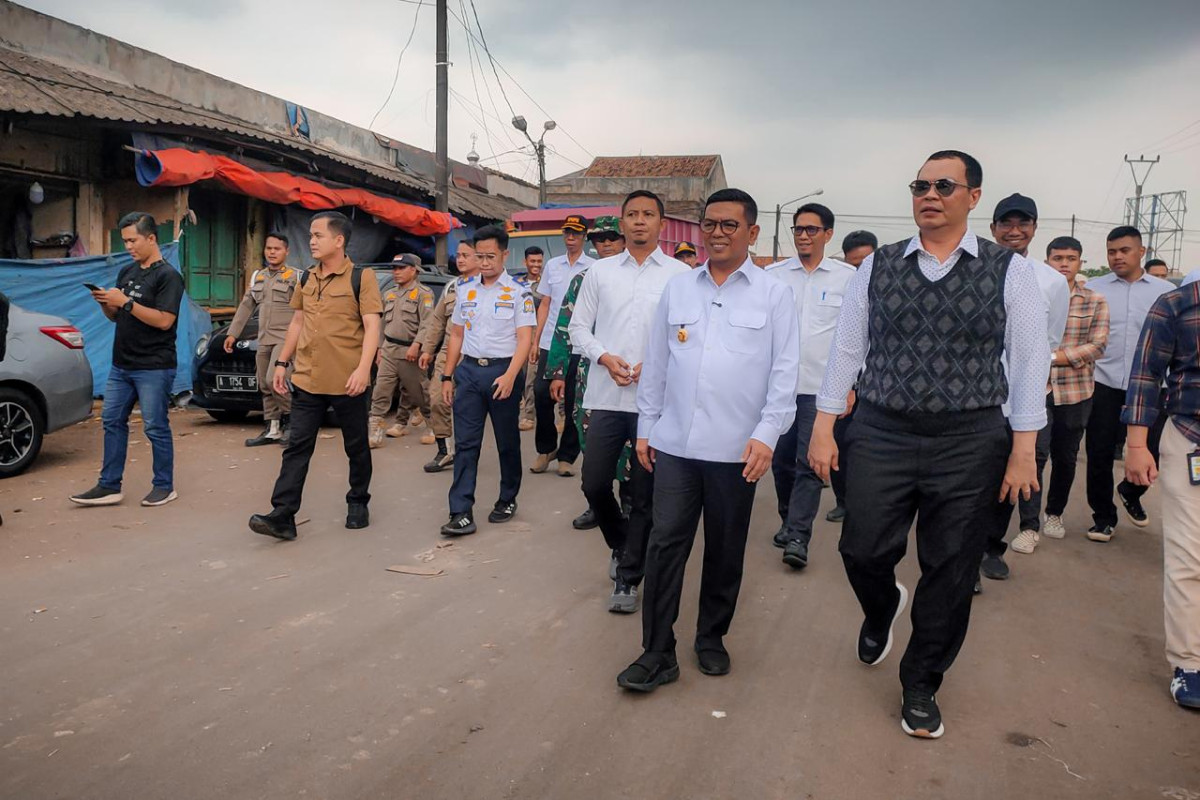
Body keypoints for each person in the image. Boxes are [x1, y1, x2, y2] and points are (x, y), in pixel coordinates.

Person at [809, 151, 1049, 739]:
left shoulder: (1007, 270)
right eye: (921, 184)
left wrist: (1023, 448)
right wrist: (822, 424)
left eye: (945, 184)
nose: (930, 194)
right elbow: (847, 348)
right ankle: (881, 605)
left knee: (949, 568)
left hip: (970, 439)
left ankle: (920, 682)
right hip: (882, 429)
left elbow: (1027, 361)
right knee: (861, 548)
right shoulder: (880, 266)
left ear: (974, 196)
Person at [616, 188, 799, 693]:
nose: (717, 233)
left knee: (724, 548)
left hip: (736, 451)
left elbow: (785, 374)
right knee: (664, 544)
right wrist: (646, 429)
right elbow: (656, 365)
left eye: (729, 226)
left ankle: (711, 636)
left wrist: (767, 436)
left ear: (752, 232)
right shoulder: (679, 289)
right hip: (674, 445)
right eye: (710, 224)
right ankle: (657, 651)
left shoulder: (773, 294)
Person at [570, 196, 690, 613]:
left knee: (643, 493)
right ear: (622, 223)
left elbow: (686, 333)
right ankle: (621, 543)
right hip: (606, 396)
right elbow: (578, 327)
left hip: (654, 403)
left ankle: (628, 577)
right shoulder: (599, 272)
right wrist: (605, 357)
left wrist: (655, 363)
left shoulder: (679, 275)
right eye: (633, 215)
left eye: (648, 215)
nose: (640, 222)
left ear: (662, 224)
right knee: (595, 483)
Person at [248, 211, 383, 541]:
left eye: (318, 235)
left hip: (347, 381)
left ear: (338, 240)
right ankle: (283, 513)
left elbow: (372, 327)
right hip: (308, 379)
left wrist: (364, 369)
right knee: (296, 447)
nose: (311, 240)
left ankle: (357, 502)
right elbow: (297, 322)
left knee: (356, 447)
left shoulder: (361, 278)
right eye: (310, 234)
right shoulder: (306, 278)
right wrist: (282, 363)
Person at [978, 194, 1070, 583]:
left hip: (1024, 402)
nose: (1014, 231)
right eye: (1006, 223)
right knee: (973, 481)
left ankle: (990, 548)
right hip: (977, 398)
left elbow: (1049, 343)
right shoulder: (974, 270)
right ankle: (962, 559)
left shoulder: (1051, 281)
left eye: (1023, 223)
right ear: (993, 227)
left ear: (1034, 227)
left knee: (1012, 477)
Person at [71, 212, 185, 508]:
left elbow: (164, 321)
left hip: (155, 366)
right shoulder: (127, 273)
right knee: (111, 420)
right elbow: (117, 316)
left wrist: (127, 302)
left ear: (151, 238)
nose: (129, 247)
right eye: (125, 241)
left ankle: (164, 485)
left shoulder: (168, 276)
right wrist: (107, 304)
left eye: (133, 240)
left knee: (155, 426)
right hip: (122, 365)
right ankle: (109, 485)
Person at [1121, 278, 1200, 709]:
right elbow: (1146, 374)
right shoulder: (1178, 303)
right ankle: (1190, 663)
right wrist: (1136, 445)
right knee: (1190, 558)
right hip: (1191, 438)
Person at [767, 202, 856, 570]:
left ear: (828, 234)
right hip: (777, 387)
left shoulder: (847, 278)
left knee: (809, 462)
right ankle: (789, 518)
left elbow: (856, 336)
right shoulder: (772, 276)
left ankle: (799, 536)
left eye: (812, 230)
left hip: (821, 388)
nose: (804, 236)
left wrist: (850, 385)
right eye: (799, 229)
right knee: (780, 461)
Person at [440, 226, 536, 536]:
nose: (484, 262)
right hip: (468, 373)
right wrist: (446, 375)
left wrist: (510, 376)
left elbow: (524, 339)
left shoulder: (519, 293)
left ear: (505, 255)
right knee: (466, 444)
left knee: (507, 442)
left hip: (503, 372)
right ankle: (460, 511)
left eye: (490, 256)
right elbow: (456, 335)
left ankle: (507, 498)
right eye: (478, 256)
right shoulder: (465, 290)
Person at [1016, 236, 1109, 552]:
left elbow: (1097, 345)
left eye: (1071, 258)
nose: (1065, 263)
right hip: (1036, 389)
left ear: (1080, 262)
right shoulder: (1034, 293)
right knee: (1036, 455)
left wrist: (1052, 356)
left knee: (1066, 457)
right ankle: (1028, 526)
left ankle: (1053, 513)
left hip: (1076, 392)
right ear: (1048, 261)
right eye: (1058, 258)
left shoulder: (1095, 300)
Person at [1084, 226, 1174, 541]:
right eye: (1112, 251)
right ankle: (1103, 518)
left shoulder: (1164, 292)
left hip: (1151, 386)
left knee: (1154, 450)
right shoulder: (1093, 288)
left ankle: (1131, 490)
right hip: (1103, 382)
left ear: (1141, 252)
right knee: (1099, 453)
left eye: (1124, 250)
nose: (1117, 257)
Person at [547, 215, 626, 533]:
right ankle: (599, 505)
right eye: (599, 239)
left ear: (622, 240)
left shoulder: (638, 278)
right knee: (590, 438)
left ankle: (633, 502)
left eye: (611, 238)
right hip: (588, 371)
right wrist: (555, 372)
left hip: (631, 372)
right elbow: (564, 325)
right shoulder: (583, 278)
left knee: (634, 445)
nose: (605, 244)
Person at [531, 215, 594, 477]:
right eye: (567, 233)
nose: (571, 238)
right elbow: (545, 303)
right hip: (550, 343)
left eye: (576, 234)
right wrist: (536, 340)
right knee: (541, 393)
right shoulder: (552, 266)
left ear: (584, 237)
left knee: (573, 403)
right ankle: (545, 449)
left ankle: (567, 456)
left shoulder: (593, 268)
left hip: (579, 345)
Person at [225, 232, 300, 447]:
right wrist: (233, 333)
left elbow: (306, 311)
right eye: (269, 248)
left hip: (285, 339)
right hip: (264, 338)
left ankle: (292, 422)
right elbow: (247, 305)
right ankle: (272, 427)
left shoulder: (295, 277)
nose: (272, 252)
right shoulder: (259, 276)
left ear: (287, 251)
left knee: (274, 380)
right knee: (263, 384)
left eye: (277, 249)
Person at [826, 230, 878, 523]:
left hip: (876, 389)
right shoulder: (841, 292)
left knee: (869, 452)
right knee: (840, 446)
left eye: (866, 263)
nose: (861, 271)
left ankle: (870, 502)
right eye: (855, 264)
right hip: (844, 387)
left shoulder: (888, 290)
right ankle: (843, 500)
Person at [418, 241, 480, 472]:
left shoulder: (486, 284)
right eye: (459, 255)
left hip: (475, 351)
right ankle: (445, 450)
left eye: (466, 255)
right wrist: (427, 349)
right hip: (447, 350)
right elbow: (436, 321)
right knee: (436, 397)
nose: (460, 259)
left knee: (468, 406)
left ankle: (467, 450)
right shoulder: (453, 287)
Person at [368, 254, 434, 448]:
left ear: (413, 270)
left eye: (401, 268)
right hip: (389, 349)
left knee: (418, 392)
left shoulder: (424, 294)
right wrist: (379, 348)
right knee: (381, 389)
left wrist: (417, 345)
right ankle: (376, 431)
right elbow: (380, 324)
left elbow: (428, 323)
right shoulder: (389, 294)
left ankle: (433, 424)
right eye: (394, 268)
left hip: (410, 350)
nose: (395, 272)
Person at [518, 246, 545, 432]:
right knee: (520, 374)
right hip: (518, 333)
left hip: (538, 333)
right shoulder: (516, 284)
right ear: (525, 262)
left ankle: (529, 416)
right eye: (532, 261)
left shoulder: (546, 284)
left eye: (539, 261)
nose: (536, 265)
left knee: (532, 376)